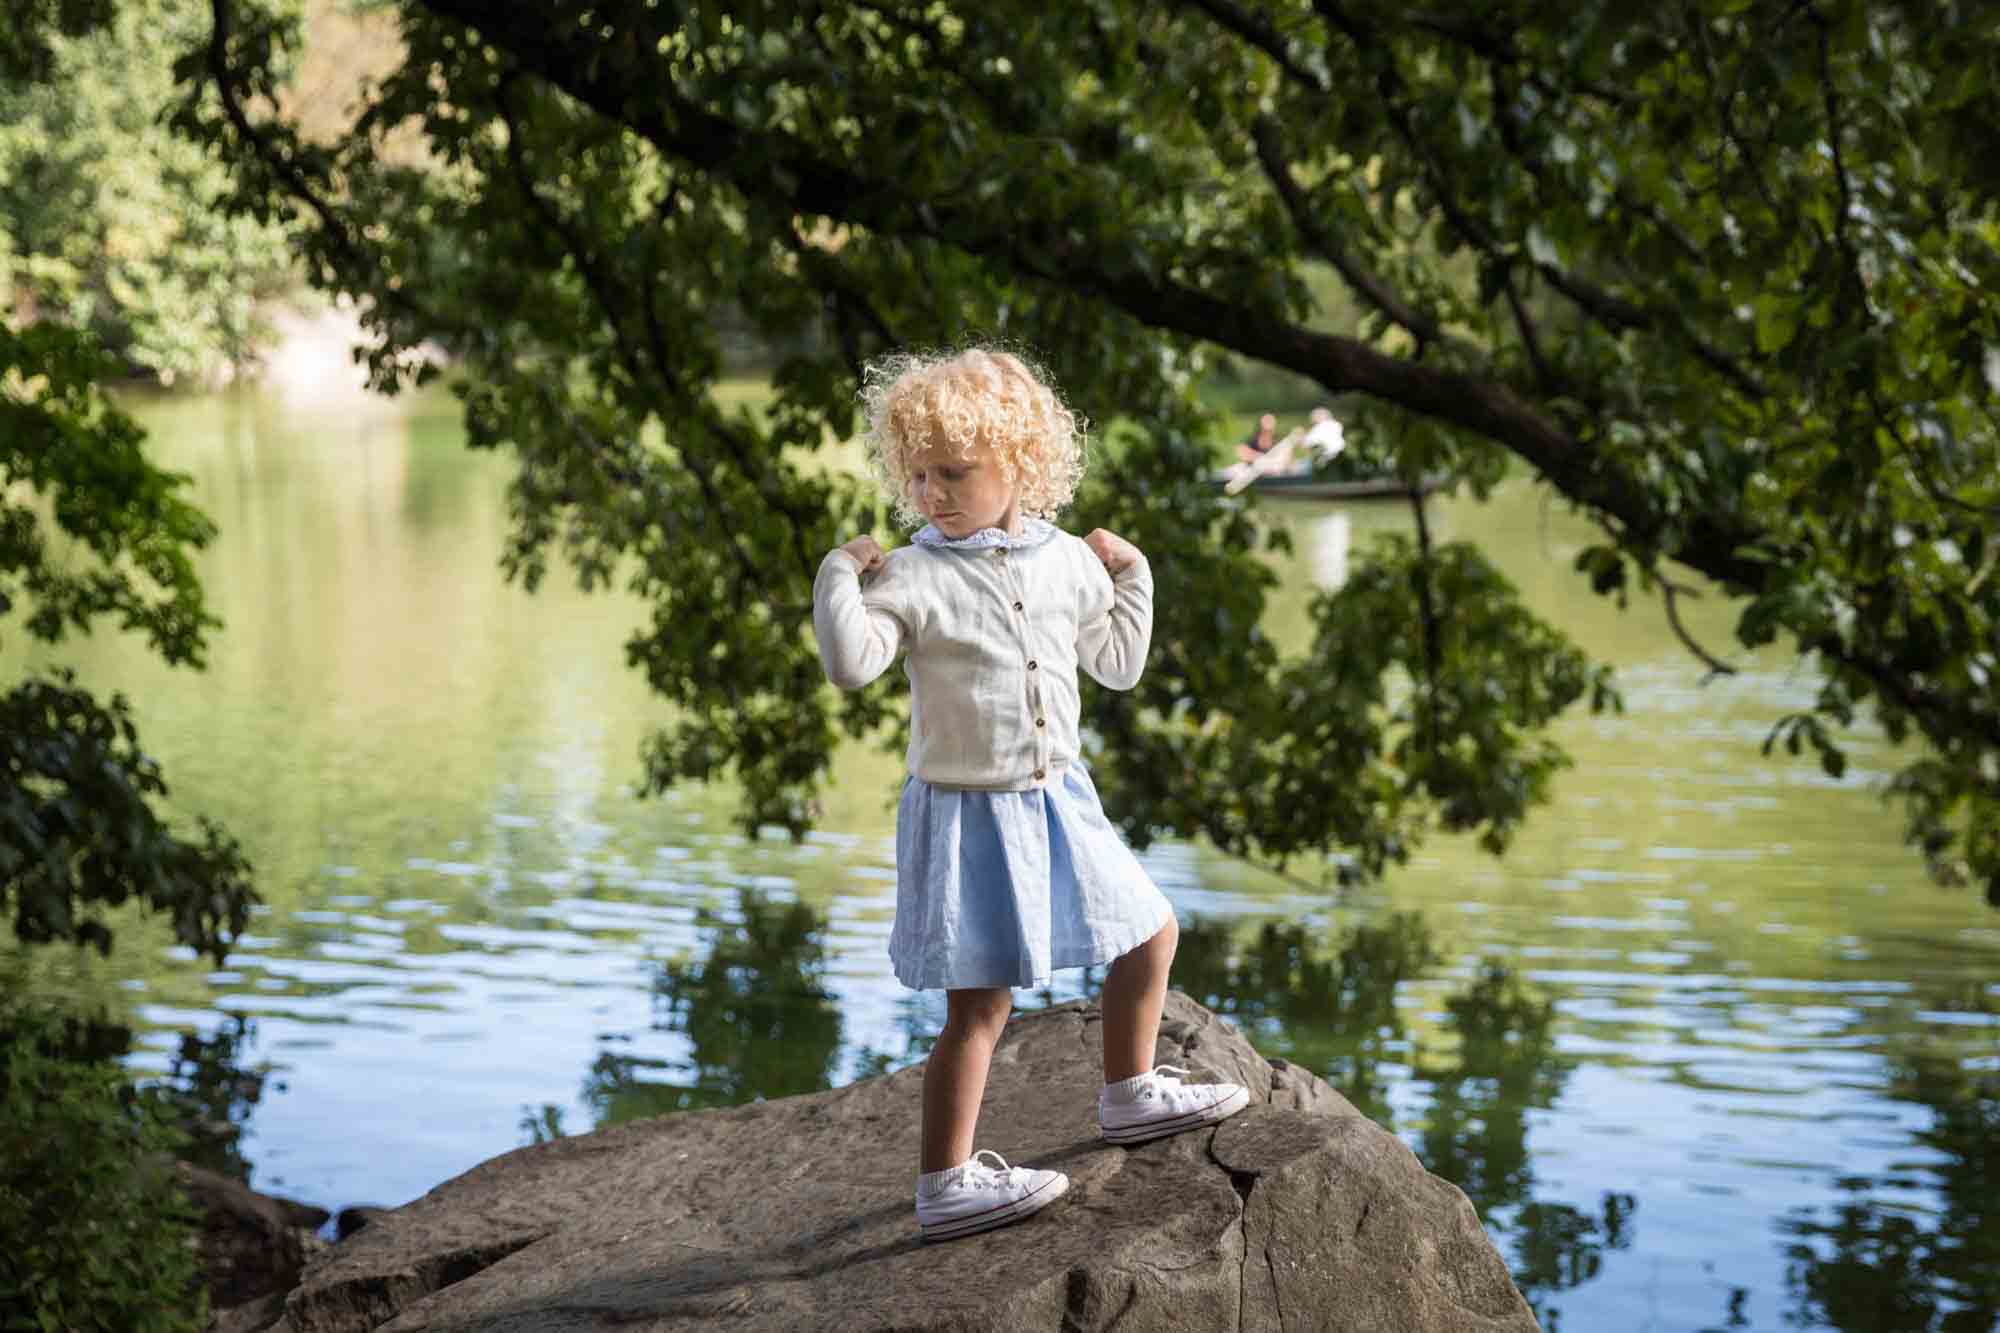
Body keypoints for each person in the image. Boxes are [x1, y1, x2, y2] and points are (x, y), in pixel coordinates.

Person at [813, 348, 1249, 1243]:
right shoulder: (912, 574)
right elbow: (850, 664)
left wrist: (1136, 579)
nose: (933, 492)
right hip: (968, 809)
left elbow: (1119, 665)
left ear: (1020, 461)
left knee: (1152, 929)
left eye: (956, 472)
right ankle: (945, 1181)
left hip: (1059, 797)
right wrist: (837, 579)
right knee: (980, 1006)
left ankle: (1128, 1093)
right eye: (921, 474)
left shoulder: (1065, 561)